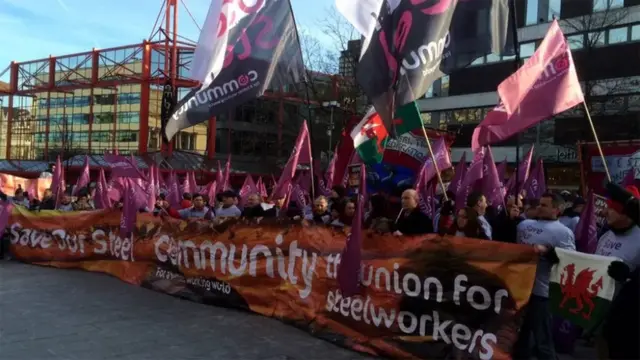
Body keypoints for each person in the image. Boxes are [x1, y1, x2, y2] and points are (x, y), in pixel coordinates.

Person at [513, 192, 576, 360]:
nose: (539, 208)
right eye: (539, 204)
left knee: (543, 341)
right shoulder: (523, 225)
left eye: (544, 205)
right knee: (518, 338)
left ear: (557, 209)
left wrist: (548, 253)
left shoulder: (564, 232)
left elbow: (569, 262)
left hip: (543, 293)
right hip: (520, 290)